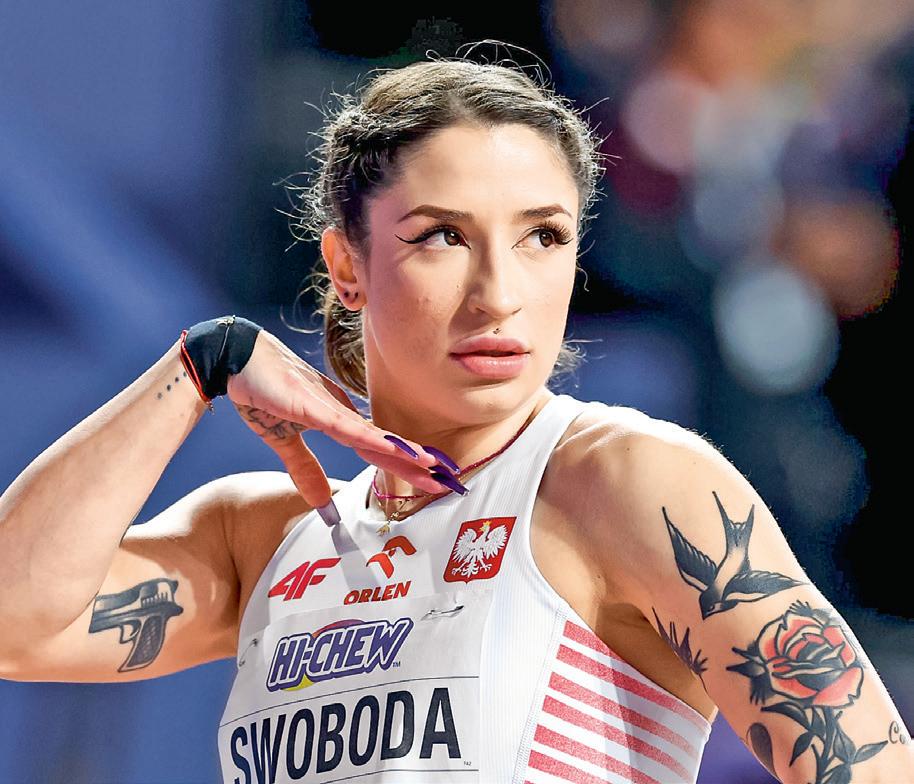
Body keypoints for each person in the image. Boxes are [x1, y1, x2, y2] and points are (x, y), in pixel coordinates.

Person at [0, 53, 911, 784]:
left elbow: (871, 766)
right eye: (443, 236)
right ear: (346, 267)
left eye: (542, 236)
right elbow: (15, 623)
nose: (498, 293)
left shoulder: (625, 481)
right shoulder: (266, 538)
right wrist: (202, 363)